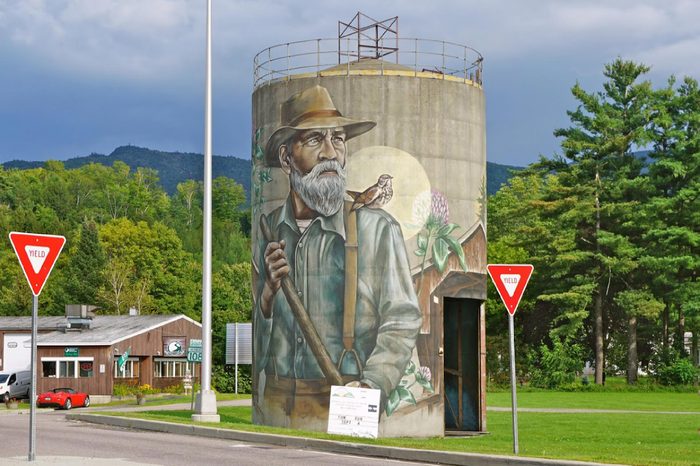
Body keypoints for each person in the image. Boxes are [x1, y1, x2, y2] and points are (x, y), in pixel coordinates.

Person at [254, 85, 421, 430]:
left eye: (339, 140)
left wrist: (372, 384)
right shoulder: (269, 229)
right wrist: (268, 294)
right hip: (276, 402)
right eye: (315, 140)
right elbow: (259, 332)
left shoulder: (376, 229)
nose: (331, 153)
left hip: (343, 399)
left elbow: (402, 319)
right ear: (287, 158)